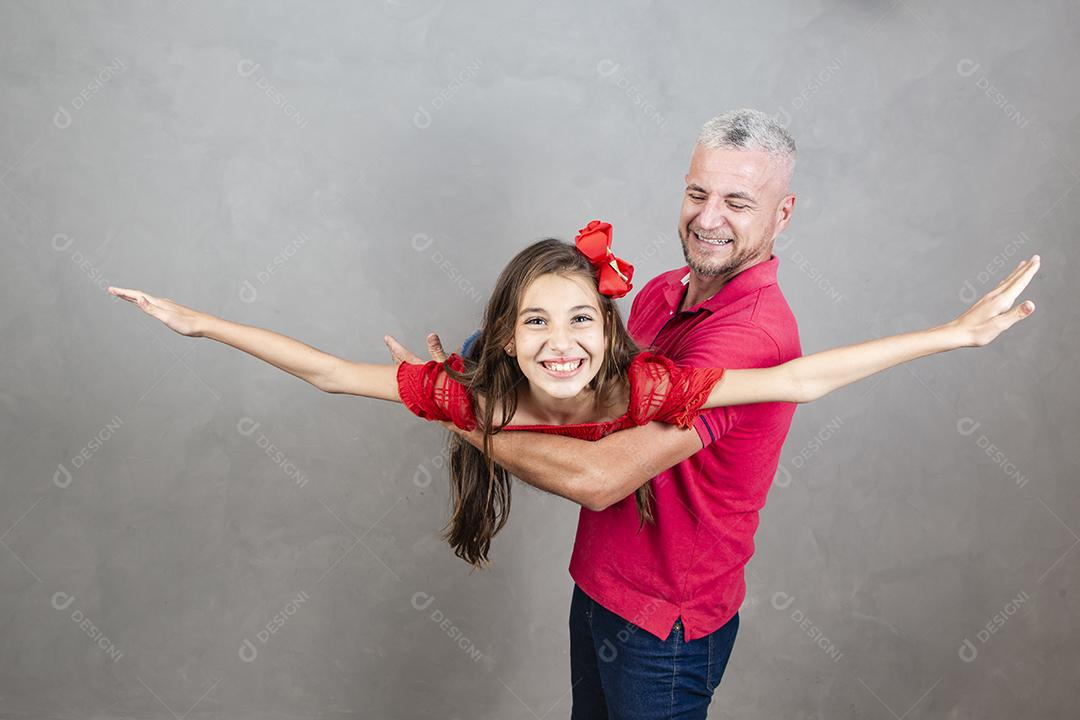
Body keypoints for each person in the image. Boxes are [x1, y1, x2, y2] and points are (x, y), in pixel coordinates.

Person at [381, 109, 1042, 719]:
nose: (708, 217)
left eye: (737, 202)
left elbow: (600, 476)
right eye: (698, 193)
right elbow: (586, 410)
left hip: (665, 626)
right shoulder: (662, 293)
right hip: (602, 587)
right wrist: (480, 367)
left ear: (783, 214)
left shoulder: (753, 334)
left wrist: (456, 413)